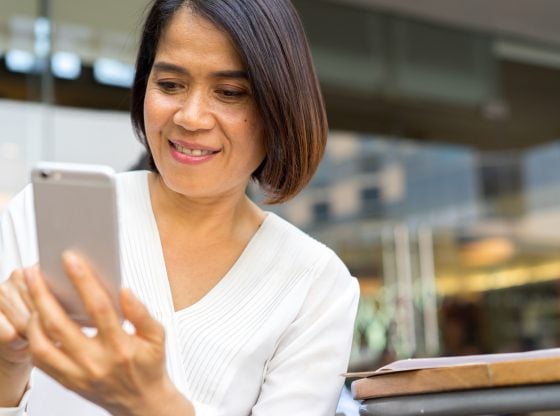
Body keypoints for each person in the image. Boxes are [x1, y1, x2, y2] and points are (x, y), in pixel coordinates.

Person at [0, 0, 360, 414]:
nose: (190, 117)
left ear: (280, 107)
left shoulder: (316, 284)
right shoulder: (40, 216)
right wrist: (7, 366)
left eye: (229, 93)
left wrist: (152, 403)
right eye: (170, 84)